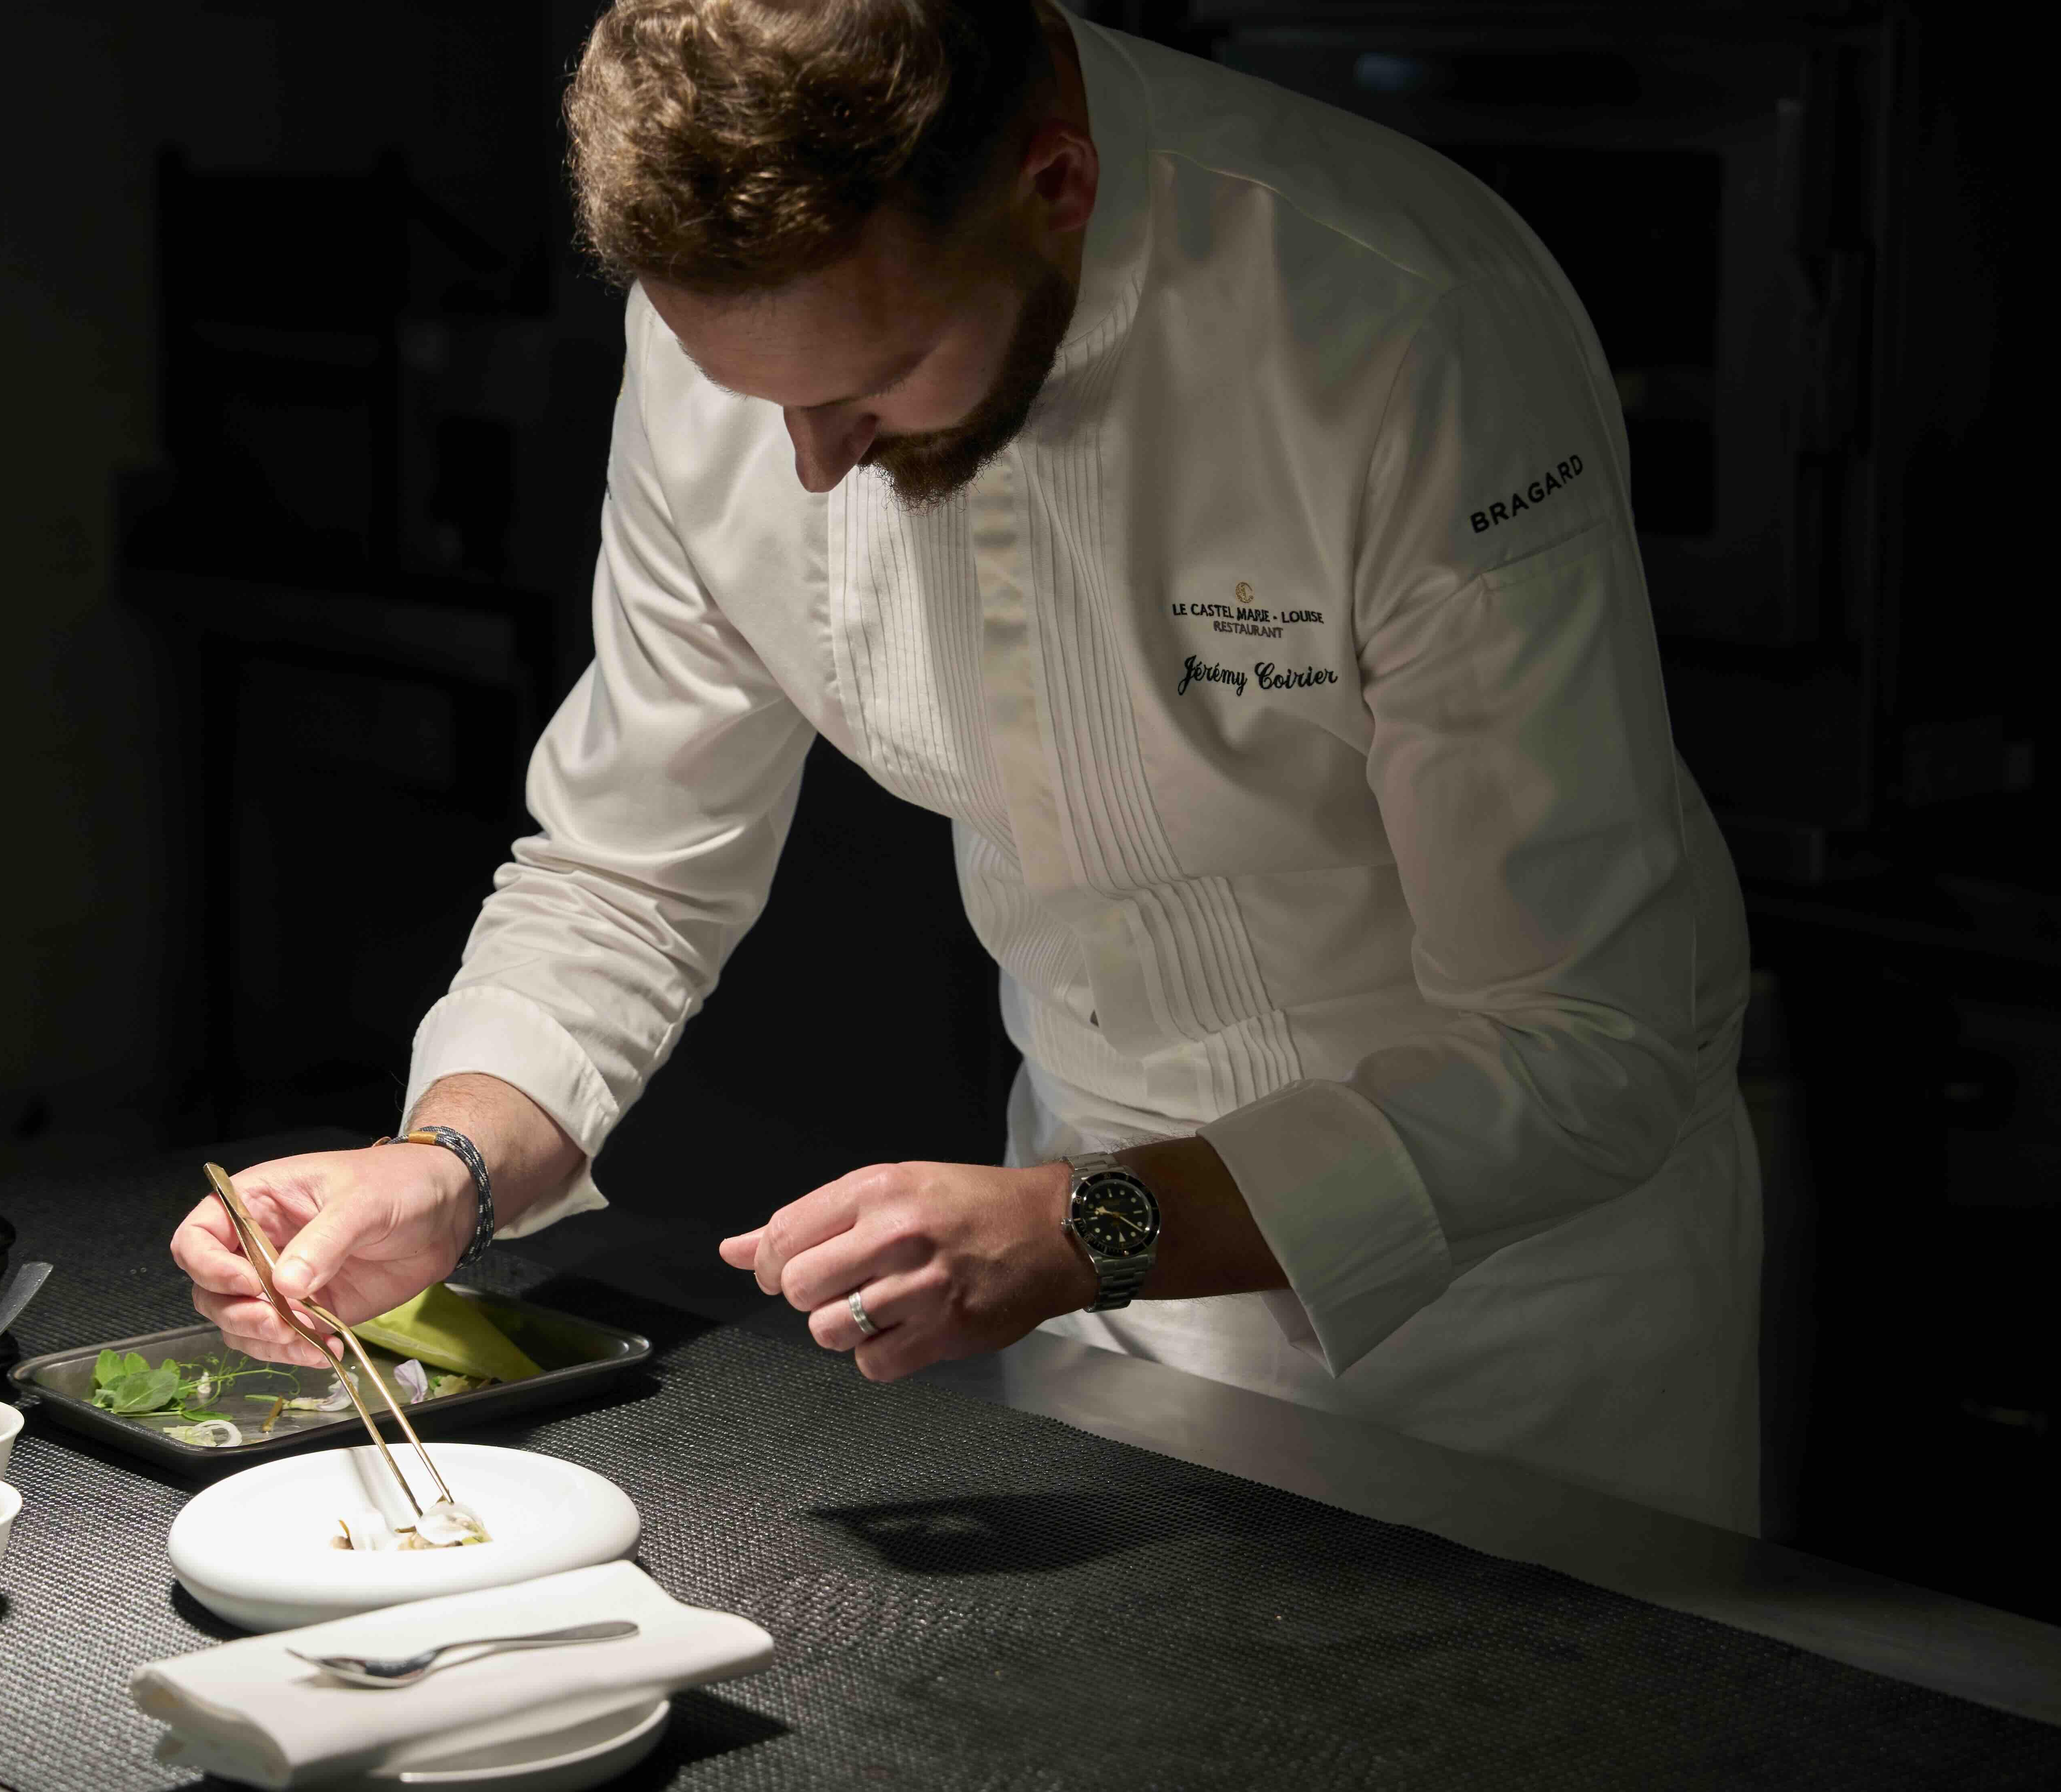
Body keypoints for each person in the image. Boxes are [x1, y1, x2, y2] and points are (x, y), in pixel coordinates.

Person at [173, 0, 1761, 1532]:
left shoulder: (1399, 321)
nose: (811, 464)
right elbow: (623, 868)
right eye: (756, 400)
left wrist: (1086, 1224)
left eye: (867, 385)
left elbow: (1590, 1040)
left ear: (1050, 189)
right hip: (1089, 1312)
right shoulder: (743, 319)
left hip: (1507, 1331)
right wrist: (445, 1164)